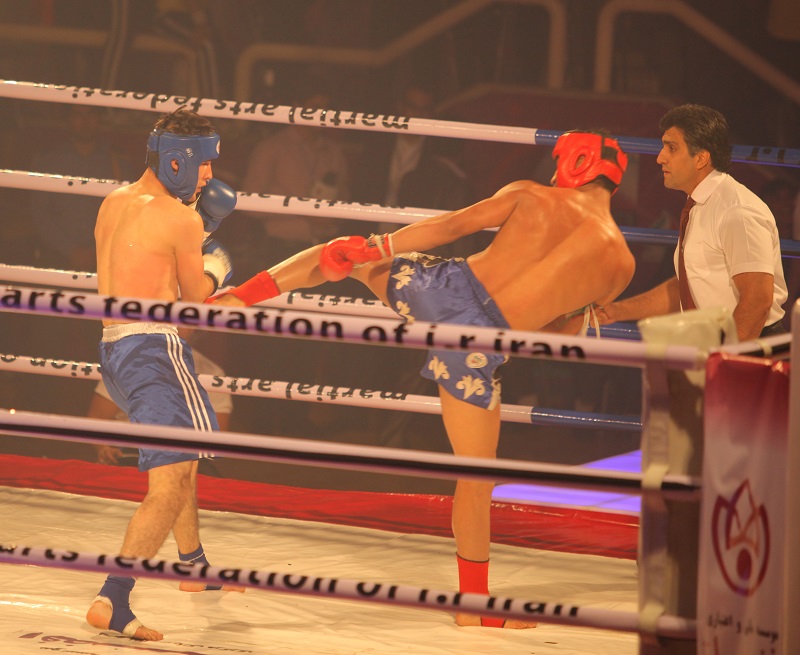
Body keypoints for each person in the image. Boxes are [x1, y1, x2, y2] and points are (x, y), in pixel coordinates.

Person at [212, 130, 636, 629]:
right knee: (476, 479)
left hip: (440, 290)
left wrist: (374, 247)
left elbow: (450, 226)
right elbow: (559, 330)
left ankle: (237, 298)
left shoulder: (532, 195)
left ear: (574, 163)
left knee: (338, 254)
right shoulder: (621, 265)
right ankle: (473, 608)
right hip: (479, 344)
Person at [87, 107, 240, 641]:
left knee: (183, 456)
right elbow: (195, 300)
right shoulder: (182, 219)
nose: (209, 175)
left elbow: (142, 266)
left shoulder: (113, 201)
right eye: (205, 164)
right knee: (170, 483)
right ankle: (113, 597)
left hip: (115, 348)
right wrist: (216, 264)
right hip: (153, 349)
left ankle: (193, 564)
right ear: (179, 160)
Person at [596, 104, 788, 340]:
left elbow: (757, 301)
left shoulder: (737, 210)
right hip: (723, 343)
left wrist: (727, 358)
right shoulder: (701, 205)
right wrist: (614, 311)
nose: (660, 158)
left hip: (752, 345)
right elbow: (691, 285)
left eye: (672, 148)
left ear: (701, 158)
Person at [88, 329, 233, 466]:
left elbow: (215, 437)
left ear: (195, 327)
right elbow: (97, 419)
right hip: (129, 453)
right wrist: (104, 449)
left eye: (183, 319)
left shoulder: (212, 373)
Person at [30, 104, 135, 271]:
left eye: (91, 114)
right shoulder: (50, 161)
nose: (85, 121)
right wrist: (70, 251)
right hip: (56, 258)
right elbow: (40, 213)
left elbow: (127, 213)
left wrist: (97, 250)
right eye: (78, 115)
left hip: (107, 258)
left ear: (99, 118)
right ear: (69, 119)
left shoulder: (119, 162)